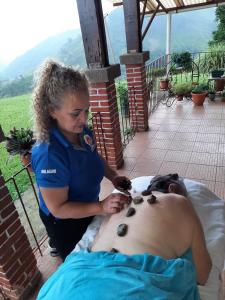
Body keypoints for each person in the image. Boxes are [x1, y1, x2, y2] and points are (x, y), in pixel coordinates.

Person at [37, 174, 212, 300]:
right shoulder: (180, 202)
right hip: (134, 286)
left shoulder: (120, 202)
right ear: (172, 189)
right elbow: (202, 275)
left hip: (70, 282)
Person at [31, 59, 131, 261]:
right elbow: (58, 208)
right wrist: (101, 207)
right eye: (76, 113)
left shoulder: (80, 130)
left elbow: (93, 155)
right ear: (52, 111)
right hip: (65, 221)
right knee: (79, 260)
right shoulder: (49, 154)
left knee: (94, 243)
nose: (84, 119)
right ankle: (57, 247)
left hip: (88, 204)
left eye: (87, 110)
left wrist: (112, 176)